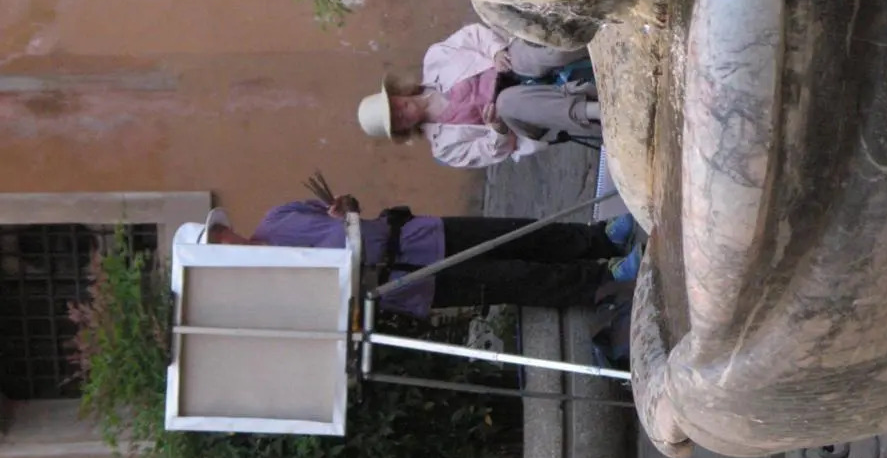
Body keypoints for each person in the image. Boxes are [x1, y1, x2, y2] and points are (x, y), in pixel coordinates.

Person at [196, 196, 638, 320]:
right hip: (408, 281)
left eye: (220, 236)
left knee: (513, 232)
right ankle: (601, 282)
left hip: (414, 234)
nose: (228, 243)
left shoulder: (278, 216)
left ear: (225, 229)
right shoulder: (274, 290)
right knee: (510, 278)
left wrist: (344, 206)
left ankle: (597, 239)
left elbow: (346, 207)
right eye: (219, 249)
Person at [357, 23, 601, 168]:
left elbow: (474, 35)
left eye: (394, 107)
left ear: (395, 95)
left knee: (527, 57)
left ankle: (599, 37)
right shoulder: (445, 148)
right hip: (519, 119)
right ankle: (596, 112)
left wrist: (495, 52)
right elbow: (493, 152)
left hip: (508, 66)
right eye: (397, 121)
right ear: (401, 131)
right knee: (506, 103)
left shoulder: (435, 59)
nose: (400, 113)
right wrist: (497, 130)